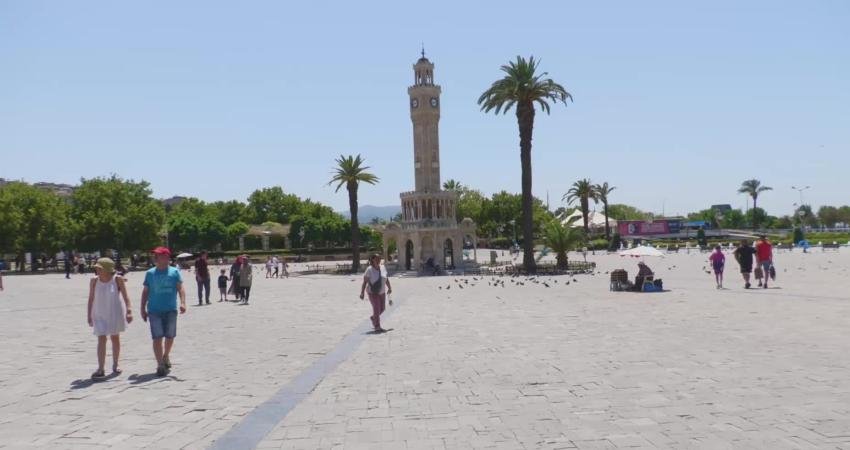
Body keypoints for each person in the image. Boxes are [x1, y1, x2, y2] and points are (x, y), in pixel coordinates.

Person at [141, 247, 186, 377]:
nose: (156, 257)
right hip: (154, 310)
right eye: (155, 255)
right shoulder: (150, 273)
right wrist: (142, 308)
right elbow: (145, 291)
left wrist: (183, 303)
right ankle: (160, 364)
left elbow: (180, 288)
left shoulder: (174, 272)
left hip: (170, 309)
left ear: (166, 257)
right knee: (157, 337)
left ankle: (166, 355)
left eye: (158, 255)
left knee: (170, 336)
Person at [87, 258, 133, 380]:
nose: (96, 269)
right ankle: (101, 368)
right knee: (101, 338)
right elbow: (91, 298)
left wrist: (129, 311)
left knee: (115, 338)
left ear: (107, 269)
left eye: (99, 268)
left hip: (114, 313)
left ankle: (116, 363)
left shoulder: (117, 280)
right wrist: (89, 315)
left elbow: (126, 296)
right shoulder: (94, 281)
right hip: (99, 314)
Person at [359, 254, 393, 333]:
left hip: (382, 292)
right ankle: (377, 326)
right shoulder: (369, 269)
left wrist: (390, 288)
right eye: (377, 259)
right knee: (376, 308)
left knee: (382, 309)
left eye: (379, 259)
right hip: (372, 292)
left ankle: (374, 317)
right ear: (373, 260)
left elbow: (386, 278)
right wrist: (362, 293)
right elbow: (365, 282)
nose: (378, 260)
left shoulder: (382, 267)